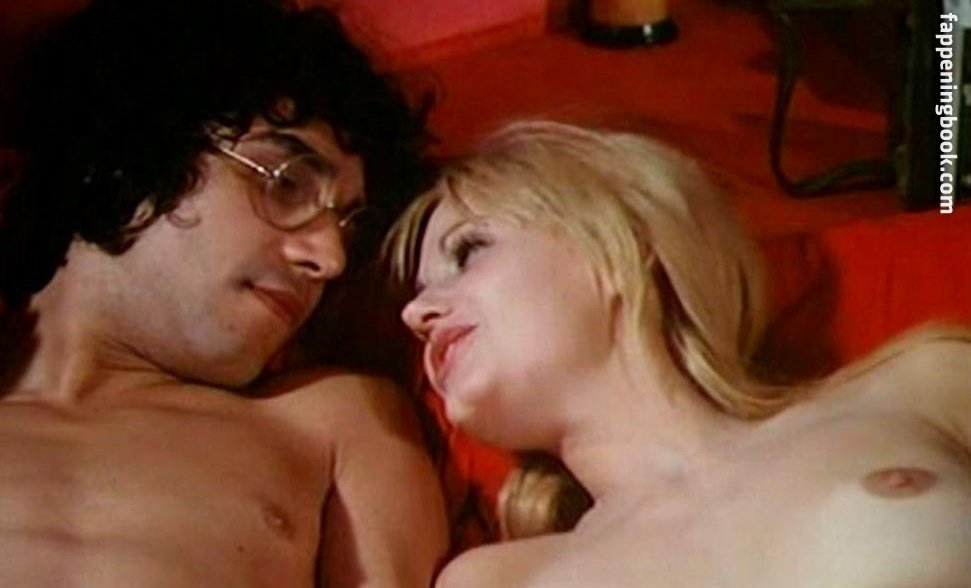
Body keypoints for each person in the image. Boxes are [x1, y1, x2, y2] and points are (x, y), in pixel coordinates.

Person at [391, 120, 971, 587]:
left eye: (468, 252)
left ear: (618, 244)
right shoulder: (497, 579)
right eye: (417, 296)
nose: (416, 314)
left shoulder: (922, 386)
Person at [0, 1, 447, 586]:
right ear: (126, 156)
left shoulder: (333, 422)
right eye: (288, 184)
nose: (330, 260)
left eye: (348, 230)